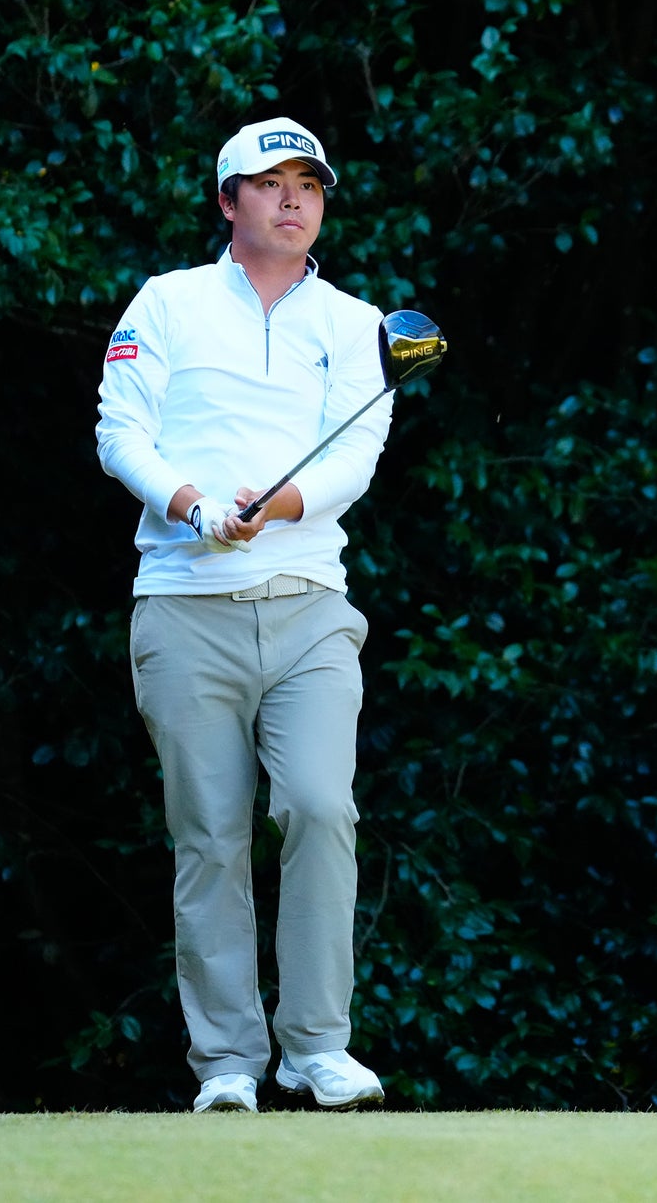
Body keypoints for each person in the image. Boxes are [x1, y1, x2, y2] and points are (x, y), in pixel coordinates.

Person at [95, 117, 392, 1113]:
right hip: (185, 609)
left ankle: (316, 1048)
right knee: (211, 836)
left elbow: (353, 459)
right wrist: (194, 508)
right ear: (229, 201)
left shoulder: (356, 324)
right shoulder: (167, 303)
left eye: (309, 182)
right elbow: (120, 432)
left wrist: (277, 509)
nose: (294, 198)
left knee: (320, 807)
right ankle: (227, 1062)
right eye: (270, 183)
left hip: (309, 607)